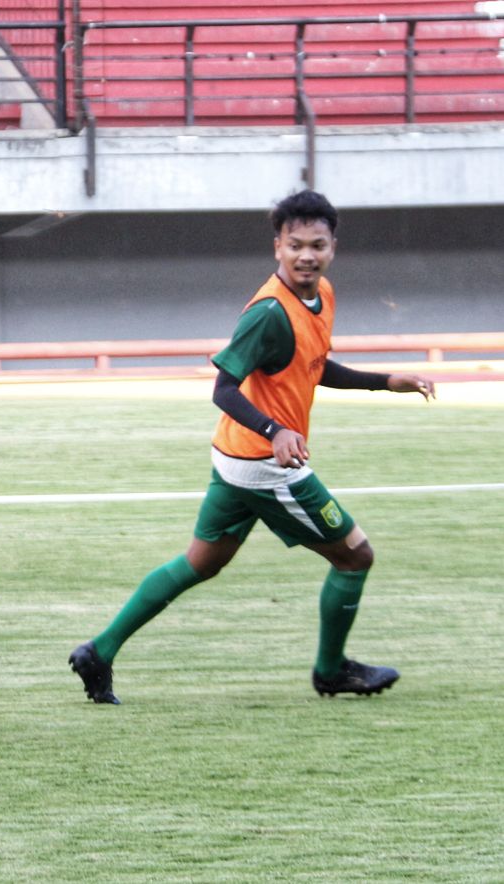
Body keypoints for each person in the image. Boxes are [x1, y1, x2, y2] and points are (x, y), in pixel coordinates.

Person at [70, 189, 436, 705]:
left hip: (235, 458)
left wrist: (385, 381)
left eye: (317, 244)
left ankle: (99, 650)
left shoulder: (322, 295)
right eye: (295, 245)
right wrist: (276, 431)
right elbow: (222, 388)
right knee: (355, 557)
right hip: (267, 466)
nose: (306, 254)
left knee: (200, 562)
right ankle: (330, 671)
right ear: (277, 248)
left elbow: (309, 366)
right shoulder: (268, 312)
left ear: (333, 248)